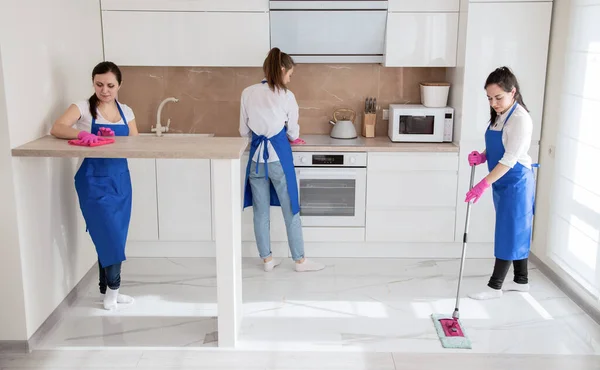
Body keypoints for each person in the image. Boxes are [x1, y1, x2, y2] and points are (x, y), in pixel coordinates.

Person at [50, 61, 138, 310]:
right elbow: (57, 127)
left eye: (110, 85)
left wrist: (113, 140)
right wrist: (82, 135)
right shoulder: (83, 108)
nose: (105, 90)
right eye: (99, 84)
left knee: (116, 235)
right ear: (93, 83)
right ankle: (113, 290)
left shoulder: (126, 111)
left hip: (120, 179)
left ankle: (109, 288)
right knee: (107, 232)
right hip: (93, 179)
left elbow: (134, 140)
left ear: (119, 85)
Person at [240, 47, 324, 273]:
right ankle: (300, 261)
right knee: (291, 210)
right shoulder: (287, 96)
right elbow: (294, 133)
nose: (289, 79)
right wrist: (288, 135)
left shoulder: (247, 92)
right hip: (278, 158)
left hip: (256, 159)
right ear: (283, 69)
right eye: (290, 74)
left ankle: (267, 261)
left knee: (261, 212)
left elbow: (243, 131)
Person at [465, 66, 536, 300]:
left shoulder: (520, 118)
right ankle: (521, 281)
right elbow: (499, 144)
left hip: (516, 181)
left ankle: (495, 287)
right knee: (515, 229)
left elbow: (509, 158)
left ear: (512, 92)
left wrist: (482, 184)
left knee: (509, 231)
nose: (493, 103)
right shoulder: (501, 113)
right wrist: (483, 156)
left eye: (498, 97)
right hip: (502, 180)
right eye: (489, 98)